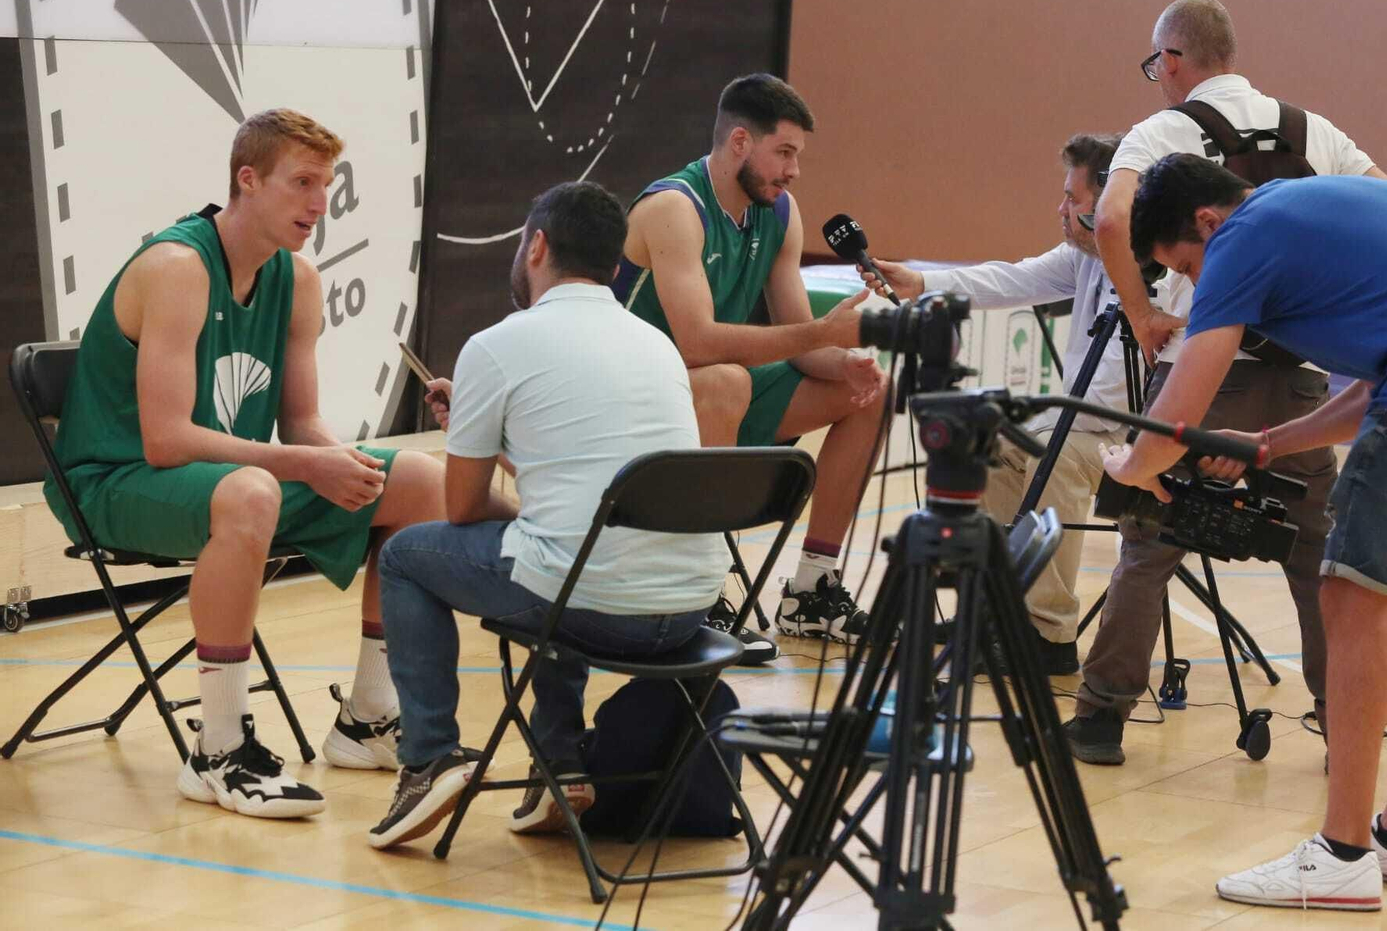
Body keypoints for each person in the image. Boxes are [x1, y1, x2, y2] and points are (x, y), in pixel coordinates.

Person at [1104, 155, 1387, 911]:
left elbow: (1179, 406)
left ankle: (1343, 852)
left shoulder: (1241, 237)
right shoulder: (1309, 208)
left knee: (1350, 603)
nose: (1194, 282)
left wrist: (1131, 464)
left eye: (1187, 265)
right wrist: (1270, 443)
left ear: (1207, 224)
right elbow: (1384, 380)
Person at [43, 109, 446, 818]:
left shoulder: (298, 279)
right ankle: (219, 748)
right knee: (256, 490)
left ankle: (368, 716)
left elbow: (301, 422)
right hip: (113, 478)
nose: (319, 203)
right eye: (302, 183)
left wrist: (339, 459)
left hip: (231, 479)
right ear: (248, 180)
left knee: (414, 479)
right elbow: (166, 439)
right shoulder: (176, 267)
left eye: (327, 184)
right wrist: (300, 463)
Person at [1068, 0, 1387, 765]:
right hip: (1301, 376)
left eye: (1157, 65)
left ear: (1174, 60)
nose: (1157, 79)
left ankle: (1102, 717)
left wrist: (1143, 309)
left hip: (1204, 371)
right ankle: (1342, 714)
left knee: (1152, 537)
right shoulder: (1314, 129)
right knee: (1314, 548)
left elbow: (1112, 221)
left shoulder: (1163, 131)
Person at [368, 181, 728, 850]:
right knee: (557, 552)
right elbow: (582, 484)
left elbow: (464, 508)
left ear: (535, 245)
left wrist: (478, 443)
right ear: (616, 267)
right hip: (687, 608)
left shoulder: (497, 345)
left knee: (407, 558)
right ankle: (558, 763)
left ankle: (429, 759)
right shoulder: (657, 345)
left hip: (593, 601)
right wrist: (503, 443)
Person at [859, 133, 1174, 675]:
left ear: (1108, 208)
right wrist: (923, 282)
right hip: (1079, 423)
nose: (1061, 208)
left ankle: (1047, 634)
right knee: (987, 442)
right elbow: (1011, 278)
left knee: (1053, 450)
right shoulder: (1084, 258)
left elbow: (1121, 400)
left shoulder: (1167, 280)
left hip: (1140, 439)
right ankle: (996, 615)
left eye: (1073, 199)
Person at [614, 73, 889, 646]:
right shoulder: (674, 207)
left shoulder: (780, 212)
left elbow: (798, 338)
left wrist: (842, 363)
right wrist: (817, 332)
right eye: (784, 152)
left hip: (713, 395)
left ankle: (812, 591)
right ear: (740, 141)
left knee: (869, 392)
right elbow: (695, 343)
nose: (793, 169)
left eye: (797, 155)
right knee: (724, 380)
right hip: (631, 402)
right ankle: (698, 591)